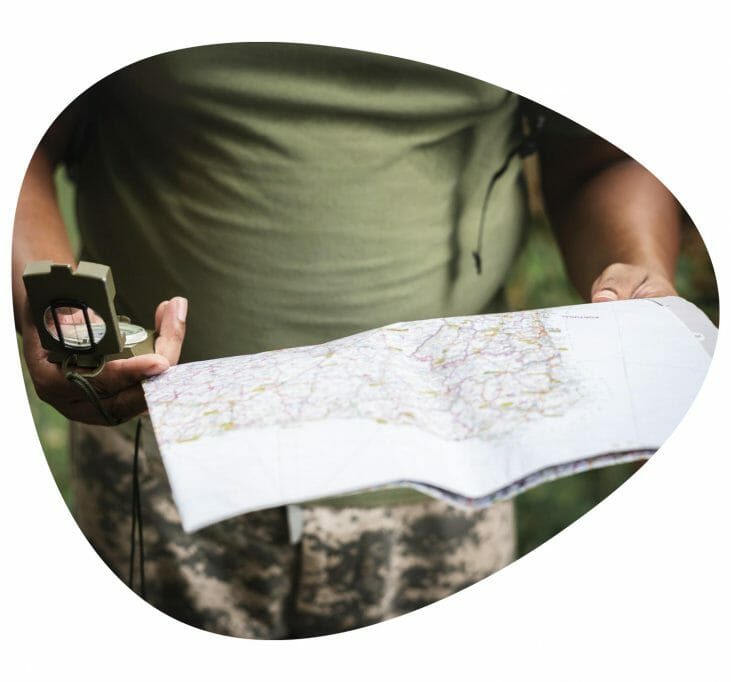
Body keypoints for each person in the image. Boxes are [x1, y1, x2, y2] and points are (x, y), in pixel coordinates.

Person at [13, 43, 680, 638]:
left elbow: (601, 157)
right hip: (161, 463)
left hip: (449, 477)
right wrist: (45, 305)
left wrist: (635, 271)